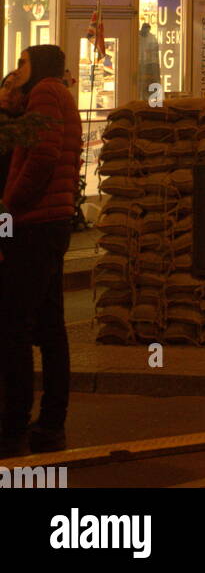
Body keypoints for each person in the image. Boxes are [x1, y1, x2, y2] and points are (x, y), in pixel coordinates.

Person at [0, 44, 81, 456]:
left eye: (23, 62)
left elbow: (42, 156)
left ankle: (13, 423)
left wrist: (10, 203)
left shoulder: (47, 91)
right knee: (49, 327)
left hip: (36, 222)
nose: (18, 69)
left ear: (42, 66)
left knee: (14, 325)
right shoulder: (58, 93)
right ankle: (50, 423)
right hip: (52, 220)